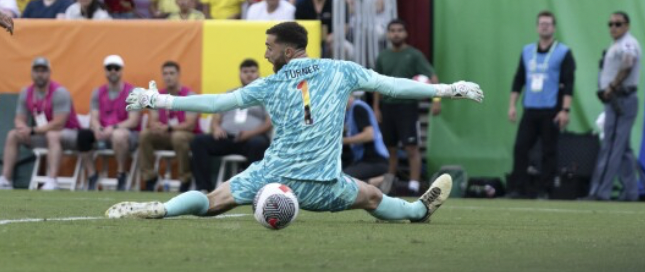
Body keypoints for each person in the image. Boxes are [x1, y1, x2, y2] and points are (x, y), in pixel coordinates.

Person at [107, 21, 483, 224]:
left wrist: (159, 99)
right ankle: (418, 211)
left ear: (287, 51)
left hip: (270, 177)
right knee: (371, 197)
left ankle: (164, 209)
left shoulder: (269, 84)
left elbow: (217, 102)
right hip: (323, 183)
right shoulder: (342, 70)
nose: (265, 51)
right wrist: (448, 89)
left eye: (269, 47)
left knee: (212, 200)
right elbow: (393, 87)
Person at [507, 11, 576, 199]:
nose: (544, 26)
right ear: (537, 26)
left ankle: (545, 190)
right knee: (520, 147)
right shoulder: (527, 51)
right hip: (530, 108)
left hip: (551, 110)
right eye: (541, 23)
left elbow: (569, 83)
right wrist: (512, 105)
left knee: (549, 151)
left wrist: (565, 110)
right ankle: (517, 188)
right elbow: (518, 79)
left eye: (548, 23)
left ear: (554, 27)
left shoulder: (563, 53)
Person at [373, 19, 441, 195]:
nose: (396, 33)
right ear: (388, 34)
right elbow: (376, 84)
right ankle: (390, 183)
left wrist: (436, 100)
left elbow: (432, 77)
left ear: (405, 33)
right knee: (391, 149)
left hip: (407, 107)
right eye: (392, 30)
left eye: (399, 30)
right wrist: (376, 108)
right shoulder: (383, 56)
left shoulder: (414, 55)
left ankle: (414, 185)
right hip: (387, 108)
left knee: (412, 147)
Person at [0, 57, 80, 190]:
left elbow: (59, 124)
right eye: (36, 70)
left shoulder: (60, 92)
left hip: (69, 134)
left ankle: (52, 180)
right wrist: (22, 127)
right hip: (43, 134)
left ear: (49, 73)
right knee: (13, 135)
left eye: (43, 71)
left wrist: (32, 131)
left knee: (53, 135)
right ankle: (5, 179)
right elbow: (19, 118)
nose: (40, 74)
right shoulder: (26, 92)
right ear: (32, 73)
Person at [191, 59, 272, 193]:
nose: (249, 75)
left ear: (258, 74)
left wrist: (250, 133)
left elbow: (269, 123)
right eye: (245, 71)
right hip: (226, 138)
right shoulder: (230, 94)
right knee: (199, 141)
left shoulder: (265, 96)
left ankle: (250, 188)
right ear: (240, 74)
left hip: (251, 139)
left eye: (252, 71)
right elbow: (216, 118)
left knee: (259, 144)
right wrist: (216, 128)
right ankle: (204, 188)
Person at [586, 12, 641, 201]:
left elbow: (628, 63)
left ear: (627, 25)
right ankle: (631, 192)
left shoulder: (628, 43)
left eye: (618, 24)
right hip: (619, 100)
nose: (613, 27)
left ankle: (600, 191)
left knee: (610, 147)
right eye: (610, 24)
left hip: (621, 99)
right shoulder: (617, 44)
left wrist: (611, 87)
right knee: (623, 150)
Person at [80, 55, 139, 191]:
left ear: (121, 70)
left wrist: (113, 128)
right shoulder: (98, 92)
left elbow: (133, 121)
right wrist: (98, 128)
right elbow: (94, 117)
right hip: (104, 131)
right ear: (105, 71)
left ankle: (121, 174)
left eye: (116, 68)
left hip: (126, 132)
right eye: (109, 68)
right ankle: (92, 174)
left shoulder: (132, 92)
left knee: (118, 135)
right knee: (83, 135)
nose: (113, 71)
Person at [138, 61, 198, 192]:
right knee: (145, 135)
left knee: (178, 136)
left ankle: (185, 179)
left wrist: (169, 128)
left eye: (172, 73)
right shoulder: (156, 96)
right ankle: (149, 177)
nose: (168, 77)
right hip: (165, 134)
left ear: (179, 75)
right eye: (165, 74)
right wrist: (156, 126)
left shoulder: (189, 95)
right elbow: (152, 121)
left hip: (186, 135)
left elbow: (190, 124)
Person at [342, 94, 389, 183]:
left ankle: (381, 181)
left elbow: (369, 135)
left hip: (374, 160)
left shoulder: (358, 108)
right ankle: (375, 182)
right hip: (364, 160)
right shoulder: (349, 112)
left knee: (344, 180)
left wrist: (343, 141)